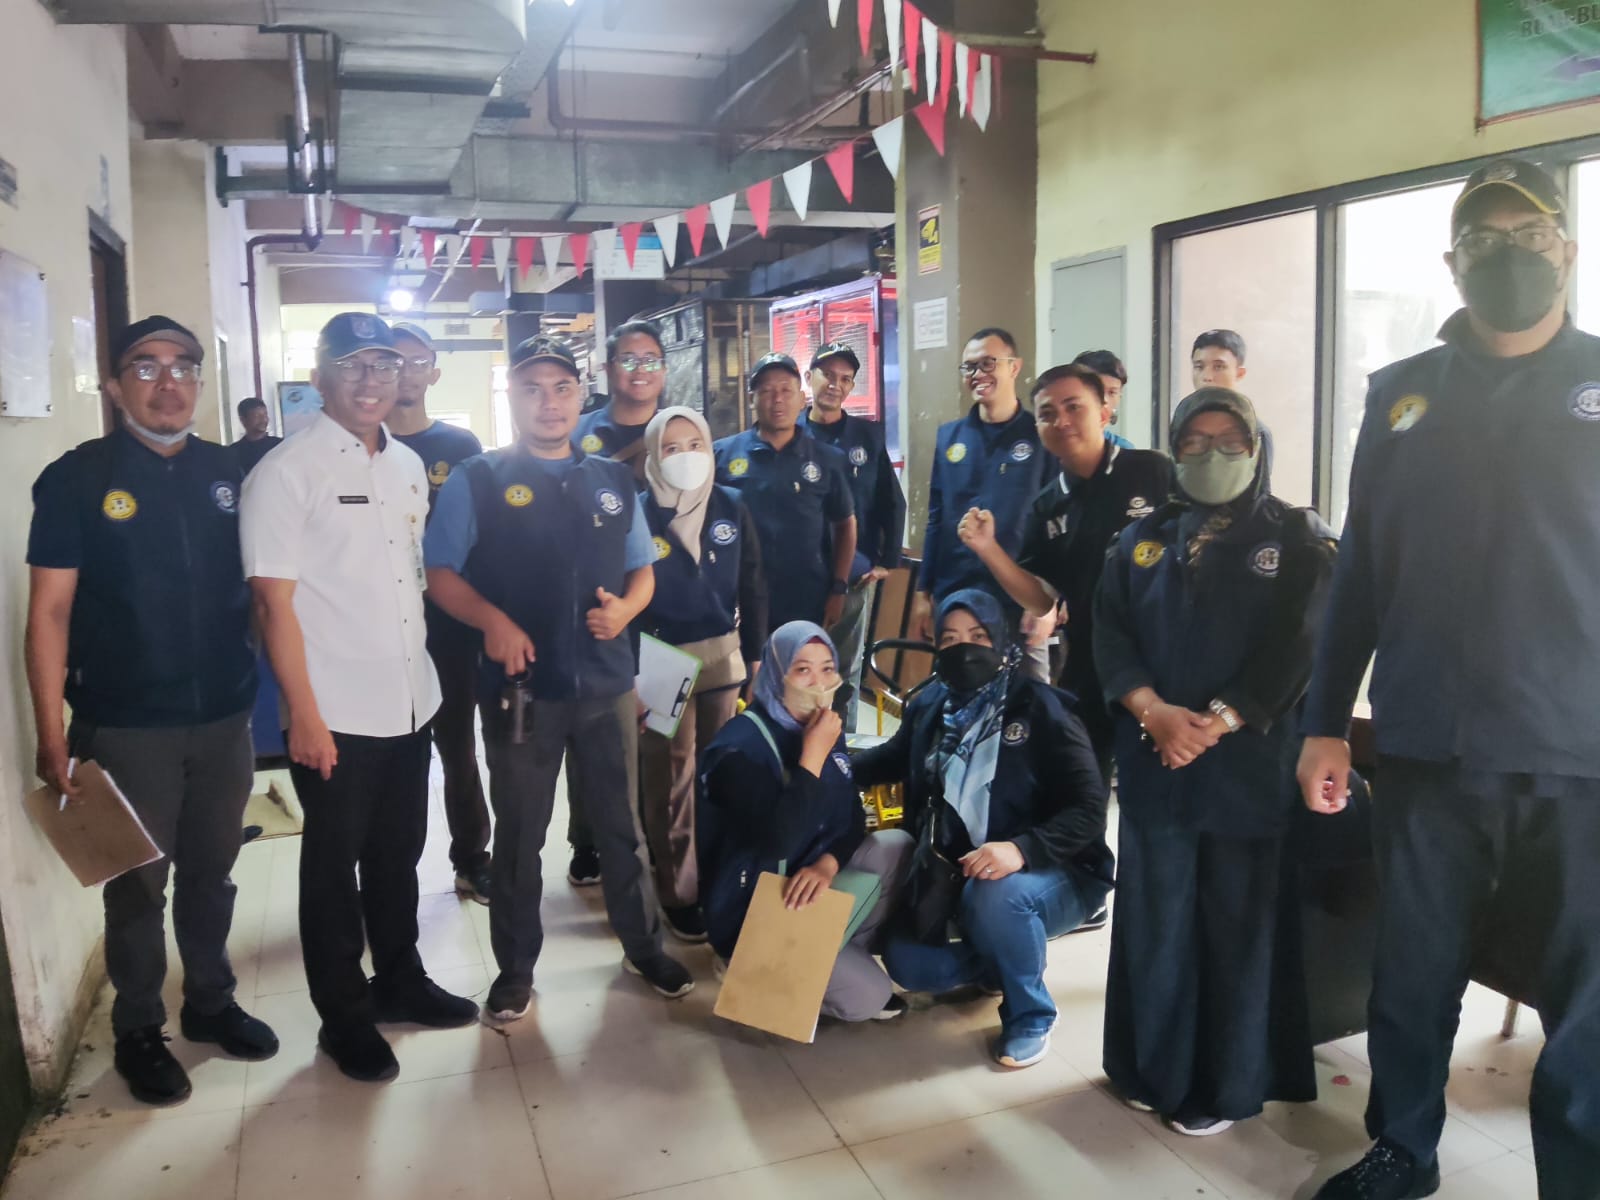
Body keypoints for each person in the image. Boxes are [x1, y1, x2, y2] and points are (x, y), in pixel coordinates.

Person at [1300, 158, 1600, 1200]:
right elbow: (1360, 573)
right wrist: (1324, 720)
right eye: (1482, 239)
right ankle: (1403, 1149)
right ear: (1452, 261)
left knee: (1586, 995)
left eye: (1529, 234)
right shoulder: (1400, 395)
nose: (1507, 253)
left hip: (1578, 753)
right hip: (1430, 743)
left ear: (1566, 250)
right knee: (1413, 969)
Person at [25, 315, 277, 1106]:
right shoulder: (76, 479)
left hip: (225, 717)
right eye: (146, 366)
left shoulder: (233, 472)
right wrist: (50, 731)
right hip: (127, 723)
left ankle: (210, 1001)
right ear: (114, 386)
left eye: (184, 367)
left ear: (201, 383)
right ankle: (138, 1027)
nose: (168, 383)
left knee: (213, 870)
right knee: (137, 888)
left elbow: (269, 590)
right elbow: (49, 613)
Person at [423, 335, 693, 1022]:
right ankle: (515, 970)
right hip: (522, 694)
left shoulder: (614, 480)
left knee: (622, 828)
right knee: (520, 836)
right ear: (512, 398)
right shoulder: (478, 480)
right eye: (533, 389)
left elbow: (642, 569)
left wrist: (626, 611)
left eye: (562, 388)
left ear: (579, 396)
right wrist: (492, 621)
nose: (549, 402)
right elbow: (440, 573)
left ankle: (643, 947)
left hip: (606, 686)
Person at [242, 312, 478, 1085]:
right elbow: (272, 604)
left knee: (397, 855)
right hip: (334, 712)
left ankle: (400, 979)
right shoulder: (287, 471)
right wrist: (303, 715)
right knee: (332, 870)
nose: (371, 381)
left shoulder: (406, 465)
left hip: (409, 698)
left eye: (383, 365)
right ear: (319, 377)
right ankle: (344, 1017)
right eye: (352, 366)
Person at [1093, 386, 1335, 1138]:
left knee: (1236, 926)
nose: (1211, 453)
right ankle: (1150, 1068)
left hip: (1247, 767)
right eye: (1193, 441)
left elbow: (1303, 644)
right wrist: (1154, 712)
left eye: (1230, 439)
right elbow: (1109, 632)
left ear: (1256, 447)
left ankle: (1221, 1085)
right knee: (1156, 920)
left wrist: (1222, 719)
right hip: (1156, 758)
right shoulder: (1142, 538)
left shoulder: (1296, 537)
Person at [857, 590, 1113, 1068]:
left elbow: (1088, 808)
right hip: (959, 870)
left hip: (1054, 869)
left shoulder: (1040, 707)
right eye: (950, 639)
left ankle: (1030, 1013)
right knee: (911, 965)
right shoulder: (931, 705)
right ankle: (1002, 956)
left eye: (978, 637)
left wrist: (1022, 849)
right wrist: (825, 764)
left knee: (997, 896)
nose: (965, 650)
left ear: (1001, 640)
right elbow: (892, 757)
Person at [956, 363, 1174, 786]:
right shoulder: (1048, 504)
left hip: (1162, 662)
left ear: (1104, 412)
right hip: (1093, 667)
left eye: (1074, 407)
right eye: (1047, 413)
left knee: (1156, 793)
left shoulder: (1153, 471)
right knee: (1083, 789)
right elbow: (1042, 599)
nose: (1061, 421)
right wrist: (988, 549)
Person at [697, 622, 912, 1021]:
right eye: (802, 670)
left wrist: (827, 864)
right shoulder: (737, 749)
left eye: (827, 668)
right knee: (868, 998)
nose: (819, 683)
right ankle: (746, 965)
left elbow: (851, 815)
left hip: (808, 879)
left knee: (895, 846)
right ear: (776, 675)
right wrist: (811, 757)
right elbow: (777, 842)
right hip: (754, 905)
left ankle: (830, 955)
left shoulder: (822, 725)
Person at [635, 405, 768, 943]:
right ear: (653, 455)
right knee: (670, 777)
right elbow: (624, 591)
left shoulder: (731, 504)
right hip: (659, 658)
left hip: (722, 655)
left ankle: (719, 875)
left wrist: (755, 655)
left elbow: (753, 582)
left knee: (721, 770)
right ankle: (677, 890)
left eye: (695, 445)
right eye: (671, 447)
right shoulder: (637, 513)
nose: (685, 456)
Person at [385, 321, 493, 906]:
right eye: (393, 361)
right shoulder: (366, 443)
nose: (406, 372)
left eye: (417, 361)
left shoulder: (461, 447)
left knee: (457, 749)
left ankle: (472, 858)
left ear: (434, 372)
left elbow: (485, 538)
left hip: (449, 627)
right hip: (381, 627)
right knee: (394, 754)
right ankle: (390, 871)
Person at [565, 320, 670, 888]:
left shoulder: (682, 430)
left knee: (659, 728)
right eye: (628, 359)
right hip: (599, 605)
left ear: (664, 369)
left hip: (665, 601)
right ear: (608, 370)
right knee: (593, 729)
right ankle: (586, 837)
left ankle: (649, 836)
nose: (639, 370)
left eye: (650, 359)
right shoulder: (579, 432)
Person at [911, 328, 1054, 679]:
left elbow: (1055, 524)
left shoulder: (1040, 436)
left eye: (989, 363)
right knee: (957, 694)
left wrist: (1048, 601)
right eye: (969, 367)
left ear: (1014, 367)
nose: (978, 374)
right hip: (956, 595)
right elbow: (936, 517)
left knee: (1029, 699)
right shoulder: (950, 437)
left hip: (1019, 598)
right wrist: (923, 593)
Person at [798, 340, 906, 724]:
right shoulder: (789, 433)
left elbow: (892, 501)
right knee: (798, 665)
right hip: (797, 575)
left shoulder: (867, 436)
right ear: (809, 377)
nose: (835, 384)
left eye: (845, 379)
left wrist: (886, 561)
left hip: (854, 576)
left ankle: (843, 746)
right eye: (828, 374)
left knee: (843, 669)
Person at [713, 352, 856, 631]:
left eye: (786, 390)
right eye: (766, 391)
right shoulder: (721, 455)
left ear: (802, 399)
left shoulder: (827, 459)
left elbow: (845, 525)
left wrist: (839, 588)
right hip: (738, 599)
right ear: (752, 399)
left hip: (807, 599)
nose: (777, 399)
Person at [1070, 350, 1135, 449]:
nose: (1104, 400)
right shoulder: (1048, 445)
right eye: (1096, 390)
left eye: (1112, 392)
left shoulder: (1124, 450)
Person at [232, 396, 282, 477]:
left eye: (265, 414)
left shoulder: (280, 445)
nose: (264, 419)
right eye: (257, 416)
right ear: (243, 420)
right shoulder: (233, 452)